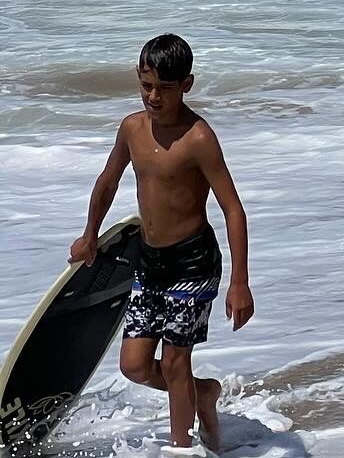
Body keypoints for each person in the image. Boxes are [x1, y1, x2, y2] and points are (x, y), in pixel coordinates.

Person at [70, 35, 253, 454]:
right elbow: (108, 181)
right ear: (138, 77)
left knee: (174, 363)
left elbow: (233, 209)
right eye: (147, 85)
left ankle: (180, 448)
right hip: (148, 261)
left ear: (187, 84)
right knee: (134, 366)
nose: (154, 96)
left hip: (193, 263)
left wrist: (240, 282)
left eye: (165, 89)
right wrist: (90, 234)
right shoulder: (132, 128)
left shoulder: (199, 138)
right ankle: (202, 393)